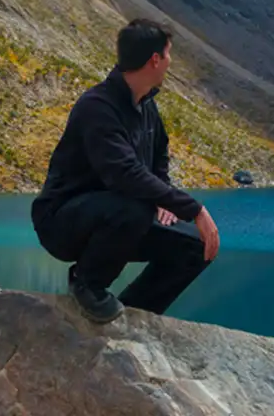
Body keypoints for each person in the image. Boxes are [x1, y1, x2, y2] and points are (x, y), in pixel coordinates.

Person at [31, 19, 221, 323]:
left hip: (120, 215)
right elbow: (124, 174)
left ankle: (134, 314)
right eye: (169, 55)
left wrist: (163, 197)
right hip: (62, 221)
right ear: (155, 60)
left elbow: (158, 156)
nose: (171, 63)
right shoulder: (97, 107)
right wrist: (193, 209)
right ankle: (86, 283)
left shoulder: (146, 105)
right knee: (135, 208)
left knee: (197, 247)